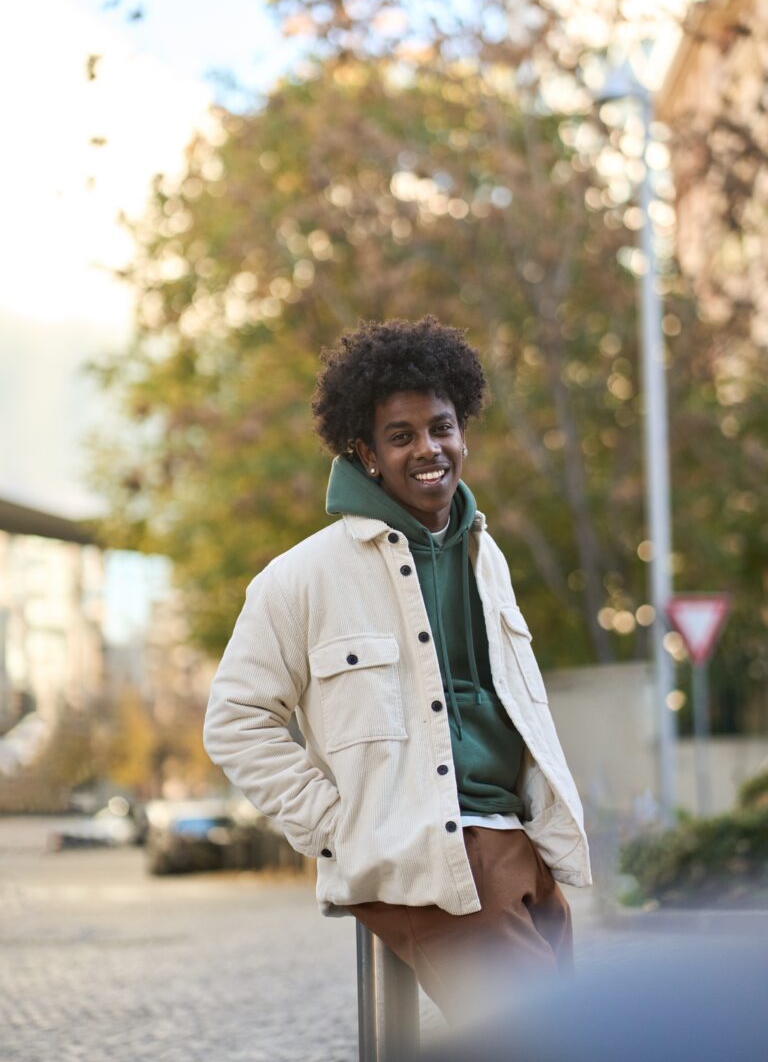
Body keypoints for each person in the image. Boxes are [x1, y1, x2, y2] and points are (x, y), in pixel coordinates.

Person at [203, 317, 591, 1016]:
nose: (428, 449)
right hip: (423, 858)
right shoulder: (304, 577)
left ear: (463, 433)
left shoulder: (485, 554)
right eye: (401, 435)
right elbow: (236, 721)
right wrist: (339, 825)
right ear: (367, 454)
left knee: (579, 1035)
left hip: (517, 840)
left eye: (441, 427)